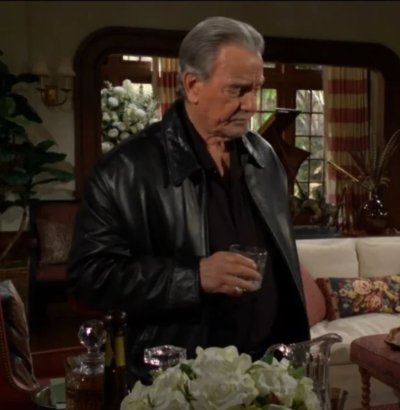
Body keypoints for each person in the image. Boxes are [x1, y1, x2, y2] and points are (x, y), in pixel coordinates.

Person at [68, 16, 310, 383]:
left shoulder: (265, 157)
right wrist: (193, 276)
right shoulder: (123, 171)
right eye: (238, 90)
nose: (252, 104)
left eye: (257, 88)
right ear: (193, 85)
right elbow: (90, 279)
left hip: (267, 372)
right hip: (180, 380)